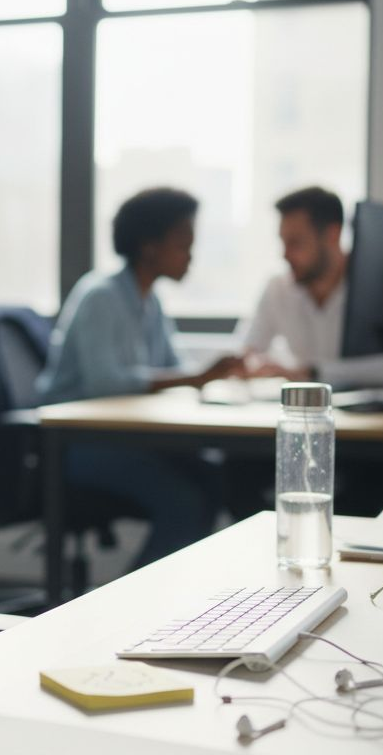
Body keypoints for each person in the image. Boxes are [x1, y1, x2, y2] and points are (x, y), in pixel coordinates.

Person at [35, 187, 237, 569]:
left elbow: (174, 368)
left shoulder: (151, 302)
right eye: (183, 243)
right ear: (149, 246)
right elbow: (105, 383)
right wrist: (194, 378)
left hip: (128, 439)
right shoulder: (100, 297)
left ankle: (181, 597)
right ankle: (132, 608)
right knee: (184, 500)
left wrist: (211, 377)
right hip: (79, 445)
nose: (190, 256)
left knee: (214, 477)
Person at [237, 186, 383, 388]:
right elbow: (249, 351)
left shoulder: (379, 287)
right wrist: (259, 365)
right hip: (304, 412)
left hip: (371, 415)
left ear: (332, 235)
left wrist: (313, 372)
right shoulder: (278, 288)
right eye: (283, 242)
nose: (284, 255)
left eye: (295, 243)